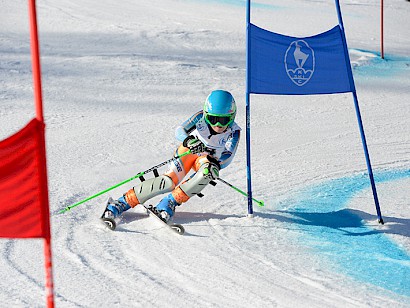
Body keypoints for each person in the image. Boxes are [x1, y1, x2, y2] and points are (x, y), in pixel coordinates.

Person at [102, 90, 241, 223]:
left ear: (232, 117)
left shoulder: (233, 131)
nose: (218, 125)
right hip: (188, 152)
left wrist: (217, 162)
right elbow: (179, 131)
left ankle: (168, 203)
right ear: (206, 113)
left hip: (205, 161)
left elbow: (229, 155)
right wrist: (189, 141)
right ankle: (121, 202)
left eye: (224, 120)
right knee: (168, 182)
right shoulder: (200, 117)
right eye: (213, 119)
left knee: (208, 172)